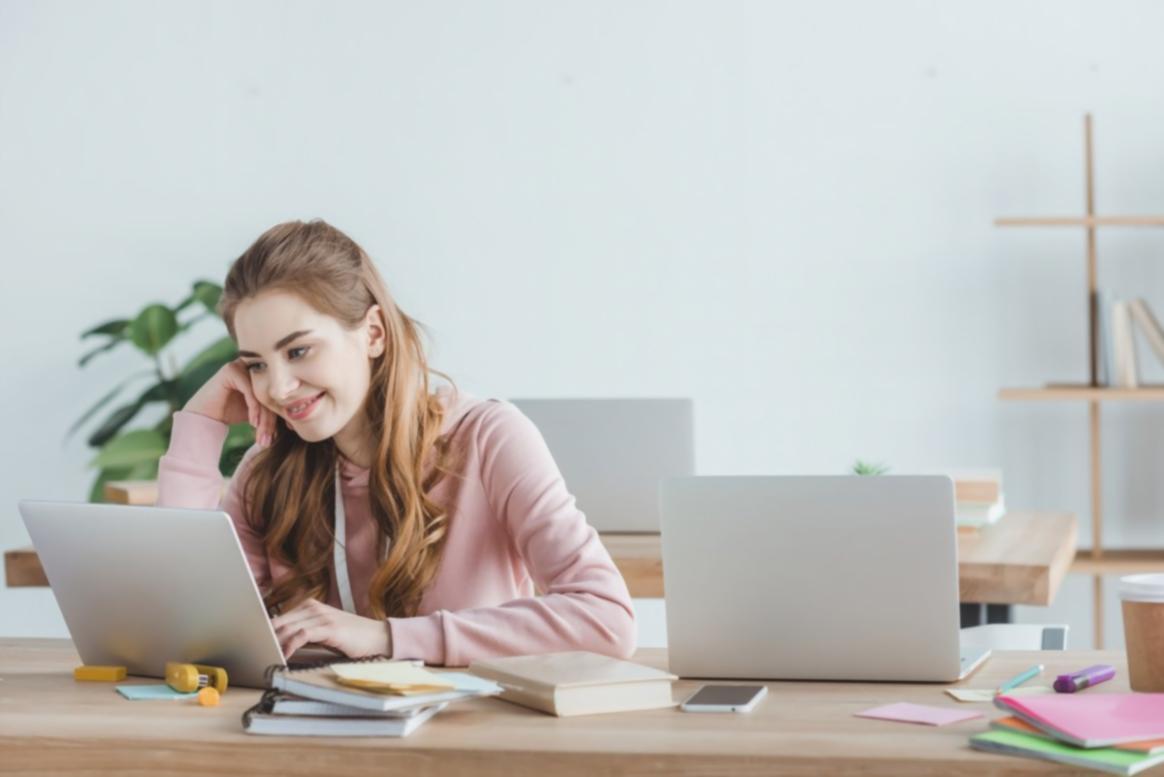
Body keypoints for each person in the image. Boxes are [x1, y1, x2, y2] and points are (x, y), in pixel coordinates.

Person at [156, 219, 635, 665]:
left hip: (470, 723)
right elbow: (183, 629)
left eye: (298, 351)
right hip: (308, 724)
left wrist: (386, 638)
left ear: (374, 333)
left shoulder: (488, 439)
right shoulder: (267, 469)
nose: (278, 389)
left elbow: (606, 620)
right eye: (257, 365)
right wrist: (200, 423)